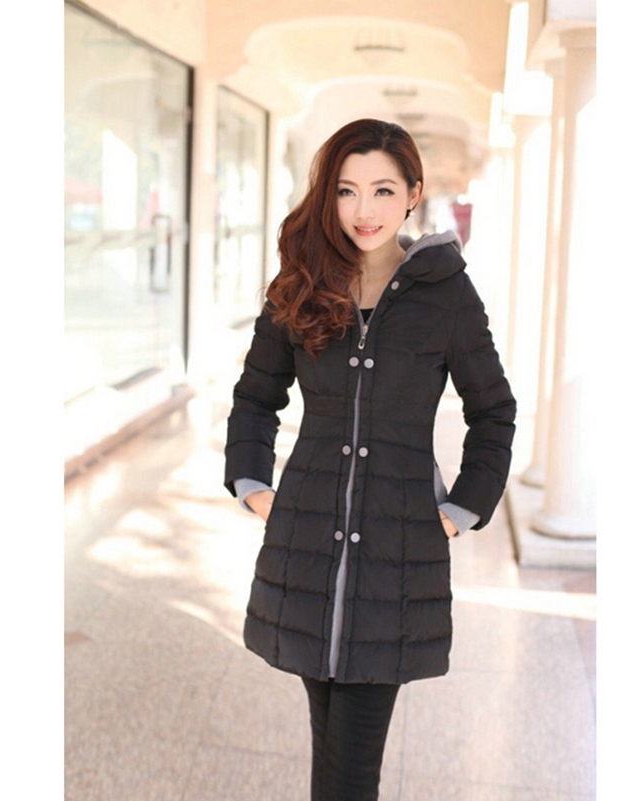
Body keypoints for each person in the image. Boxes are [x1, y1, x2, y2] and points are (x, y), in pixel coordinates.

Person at [224, 118, 516, 800]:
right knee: (333, 754)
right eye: (347, 190)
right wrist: (254, 486)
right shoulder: (302, 282)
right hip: (305, 548)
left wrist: (458, 510)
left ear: (413, 194)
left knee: (350, 768)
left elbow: (494, 411)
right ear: (327, 196)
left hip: (396, 554)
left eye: (383, 190)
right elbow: (256, 396)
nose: (364, 210)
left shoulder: (446, 294)